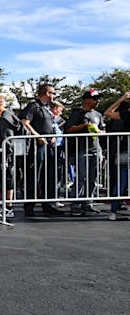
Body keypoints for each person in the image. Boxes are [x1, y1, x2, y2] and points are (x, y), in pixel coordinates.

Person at [19, 83, 64, 216]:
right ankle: (29, 205)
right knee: (34, 175)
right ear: (47, 93)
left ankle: (48, 204)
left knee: (49, 175)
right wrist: (37, 136)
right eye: (52, 93)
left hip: (49, 144)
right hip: (37, 145)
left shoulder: (47, 108)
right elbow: (25, 121)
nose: (54, 96)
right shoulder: (34, 106)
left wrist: (53, 136)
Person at [64, 88, 105, 216]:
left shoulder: (98, 115)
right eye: (95, 98)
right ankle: (76, 204)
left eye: (98, 98)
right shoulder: (77, 113)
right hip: (82, 150)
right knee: (81, 178)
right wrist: (83, 126)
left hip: (96, 149)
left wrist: (98, 131)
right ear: (87, 99)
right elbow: (68, 129)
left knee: (93, 178)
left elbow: (104, 131)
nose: (97, 101)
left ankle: (88, 203)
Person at [0, 93, 21, 218]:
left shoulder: (4, 118)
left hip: (5, 155)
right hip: (1, 153)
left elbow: (7, 139)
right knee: (0, 180)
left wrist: (6, 158)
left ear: (0, 103)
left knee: (6, 179)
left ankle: (8, 207)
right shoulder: (3, 116)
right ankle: (3, 205)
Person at [104, 91, 130, 220]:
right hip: (126, 152)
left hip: (125, 151)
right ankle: (114, 211)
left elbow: (108, 112)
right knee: (121, 181)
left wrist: (121, 99)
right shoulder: (128, 113)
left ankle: (113, 212)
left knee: (121, 182)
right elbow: (108, 113)